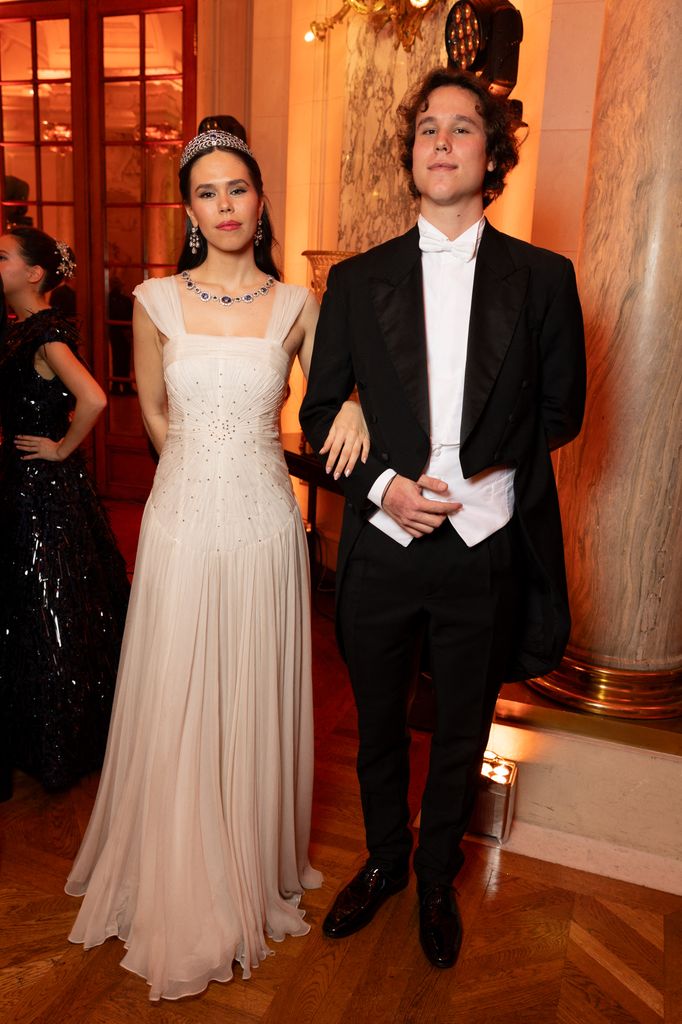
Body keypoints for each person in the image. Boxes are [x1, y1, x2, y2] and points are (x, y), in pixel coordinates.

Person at [65, 129, 369, 1001]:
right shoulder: (154, 299)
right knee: (180, 687)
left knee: (251, 687)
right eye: (208, 193)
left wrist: (349, 403)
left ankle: (247, 853)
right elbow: (156, 415)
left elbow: (334, 396)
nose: (226, 205)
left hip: (268, 524)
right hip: (185, 519)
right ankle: (174, 859)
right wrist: (195, 480)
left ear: (260, 201)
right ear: (189, 210)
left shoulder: (300, 304)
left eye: (239, 189)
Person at [300, 67, 586, 970]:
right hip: (384, 548)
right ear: (411, 151)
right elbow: (318, 417)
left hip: (485, 544)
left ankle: (434, 873)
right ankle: (385, 861)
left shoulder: (543, 278)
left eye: (463, 128)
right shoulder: (354, 280)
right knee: (375, 719)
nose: (441, 141)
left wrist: (472, 464)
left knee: (463, 728)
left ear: (492, 154)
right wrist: (385, 482)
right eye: (427, 127)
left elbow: (564, 412)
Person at [0, 228, 130, 795]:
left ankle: (60, 740)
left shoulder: (47, 332)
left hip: (42, 490)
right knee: (34, 609)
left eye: (1, 255)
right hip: (24, 484)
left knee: (47, 606)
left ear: (33, 274)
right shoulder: (21, 329)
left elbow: (96, 397)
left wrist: (58, 447)